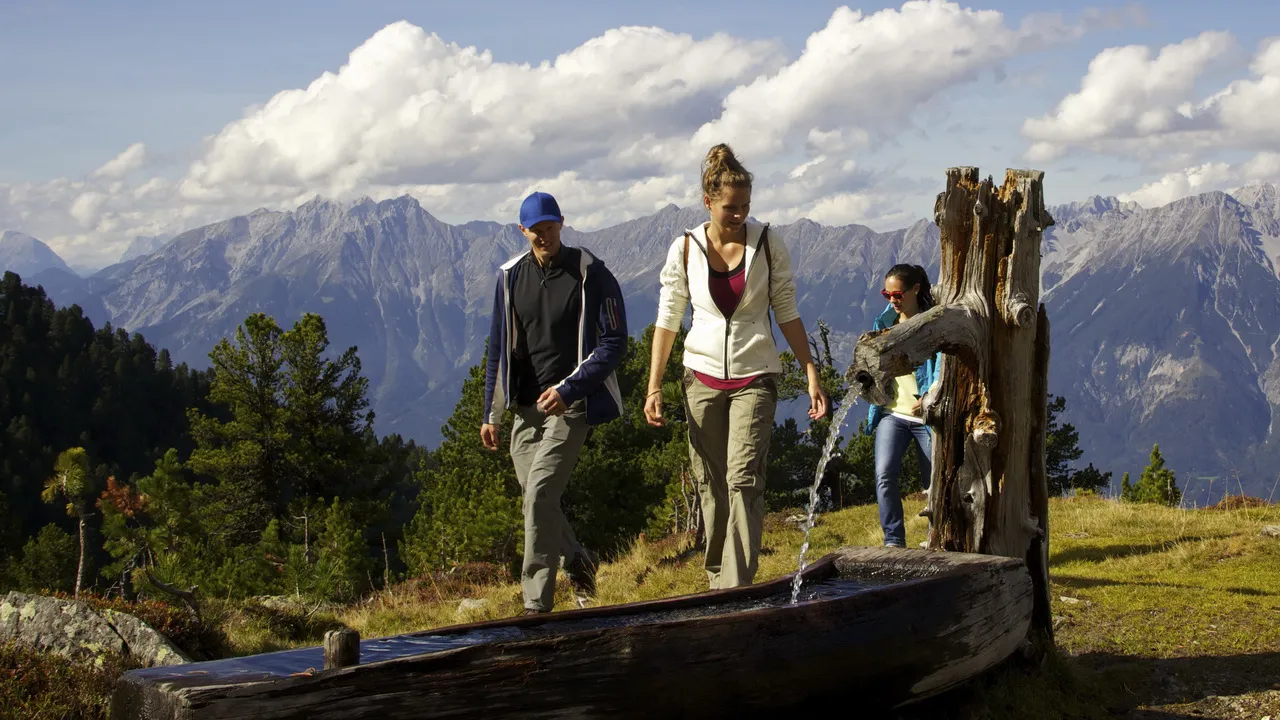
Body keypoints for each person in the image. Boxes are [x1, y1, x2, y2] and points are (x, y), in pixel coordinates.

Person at [644, 144, 829, 590]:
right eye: (731, 207)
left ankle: (736, 587)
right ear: (708, 202)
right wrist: (654, 386)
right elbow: (668, 319)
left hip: (756, 376)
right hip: (700, 377)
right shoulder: (685, 248)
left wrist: (810, 370)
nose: (740, 215)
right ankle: (715, 577)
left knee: (744, 478)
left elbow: (786, 309)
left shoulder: (767, 243)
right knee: (712, 482)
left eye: (746, 206)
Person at [480, 191, 628, 614]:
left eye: (550, 227)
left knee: (541, 490)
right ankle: (579, 560)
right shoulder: (509, 277)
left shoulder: (591, 274)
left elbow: (615, 341)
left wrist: (569, 389)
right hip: (524, 410)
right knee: (535, 497)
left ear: (562, 223)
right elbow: (498, 348)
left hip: (571, 406)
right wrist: (490, 414)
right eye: (536, 230)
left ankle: (536, 602)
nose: (544, 235)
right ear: (522, 230)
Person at [865, 264, 940, 549]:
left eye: (898, 294)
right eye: (887, 294)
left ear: (916, 290)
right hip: (892, 413)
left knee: (935, 480)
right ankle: (893, 540)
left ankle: (937, 535)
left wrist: (932, 394)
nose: (892, 300)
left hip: (926, 416)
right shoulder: (882, 323)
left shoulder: (932, 322)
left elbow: (942, 362)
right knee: (884, 474)